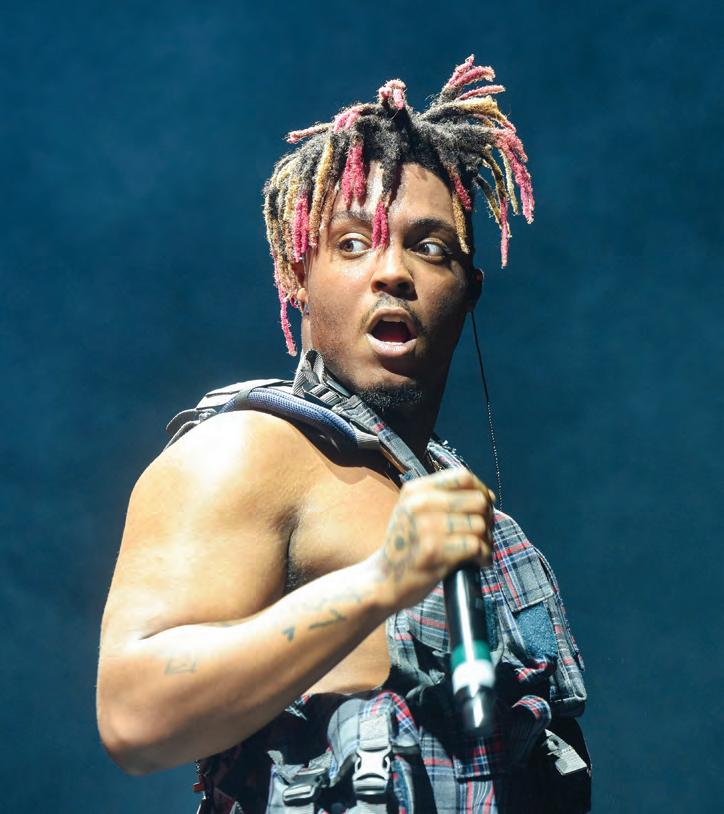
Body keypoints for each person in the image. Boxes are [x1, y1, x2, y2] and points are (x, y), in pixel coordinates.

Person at [97, 55, 590, 812]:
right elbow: (135, 715)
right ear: (297, 275)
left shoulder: (482, 524)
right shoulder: (251, 450)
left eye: (431, 248)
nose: (393, 271)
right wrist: (379, 582)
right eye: (354, 244)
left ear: (469, 290)